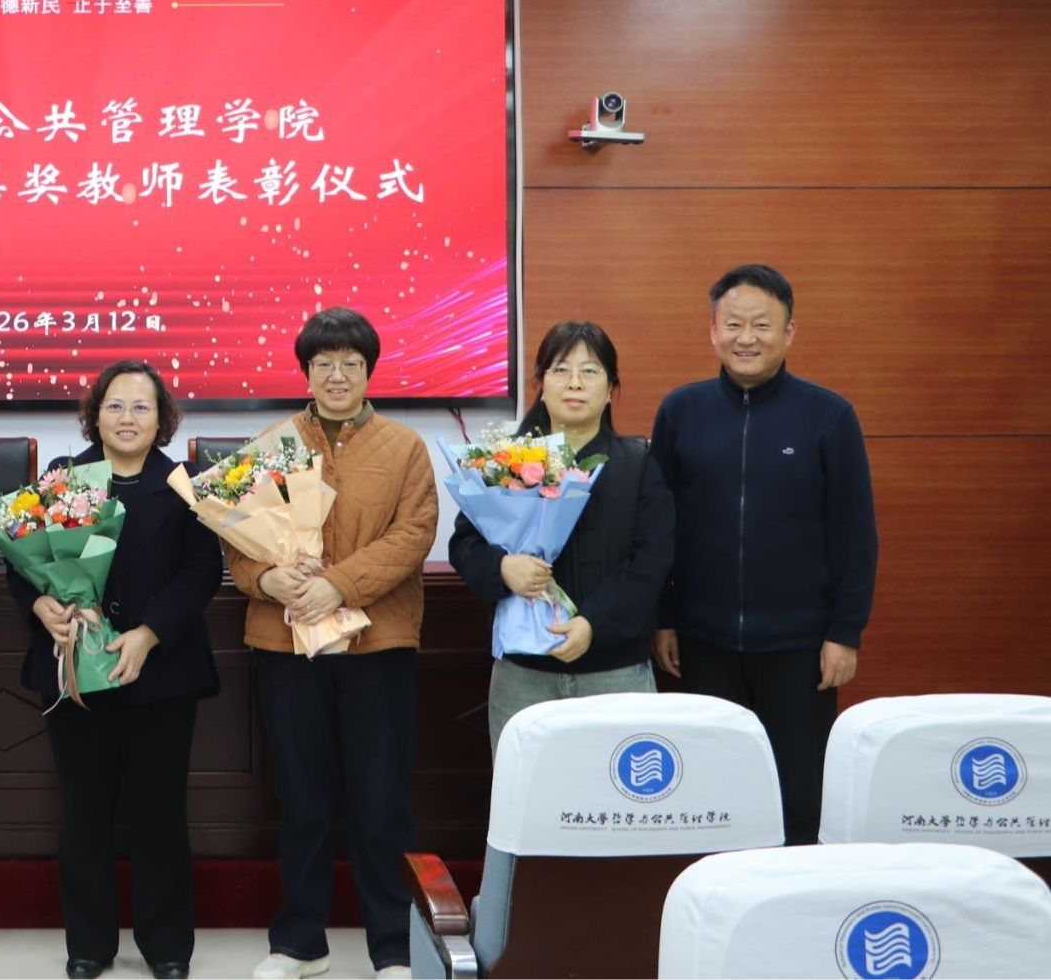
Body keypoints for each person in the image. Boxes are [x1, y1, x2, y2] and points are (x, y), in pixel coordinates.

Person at [227, 309, 436, 980]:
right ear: (306, 371)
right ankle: (299, 943)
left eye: (350, 363)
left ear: (369, 370)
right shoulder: (273, 444)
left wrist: (338, 585)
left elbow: (413, 536)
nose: (337, 375)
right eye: (324, 364)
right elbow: (235, 539)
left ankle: (393, 947)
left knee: (381, 802)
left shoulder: (405, 447)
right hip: (287, 645)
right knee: (302, 799)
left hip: (378, 645)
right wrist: (267, 578)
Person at [6, 361, 221, 980]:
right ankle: (89, 945)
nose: (128, 418)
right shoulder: (62, 476)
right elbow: (21, 561)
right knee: (83, 811)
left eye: (141, 407)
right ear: (95, 415)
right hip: (77, 666)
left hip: (161, 671)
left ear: (162, 419)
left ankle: (167, 946)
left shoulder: (184, 483)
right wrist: (40, 606)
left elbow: (202, 571)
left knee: (161, 812)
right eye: (115, 406)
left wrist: (149, 634)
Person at [652, 263, 877, 846]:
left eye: (761, 324)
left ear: (789, 332)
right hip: (703, 643)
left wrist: (845, 631)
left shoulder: (829, 416)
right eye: (733, 324)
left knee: (799, 797)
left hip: (799, 647)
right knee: (712, 793)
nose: (746, 337)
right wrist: (664, 617)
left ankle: (796, 898)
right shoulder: (681, 412)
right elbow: (659, 527)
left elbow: (854, 533)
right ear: (713, 331)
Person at [448, 322, 675, 754]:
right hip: (524, 675)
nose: (574, 383)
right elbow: (464, 544)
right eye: (561, 370)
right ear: (541, 385)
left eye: (590, 371)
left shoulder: (639, 464)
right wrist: (503, 568)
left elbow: (652, 561)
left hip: (614, 673)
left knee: (617, 794)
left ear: (610, 390)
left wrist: (593, 625)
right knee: (526, 793)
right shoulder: (504, 463)